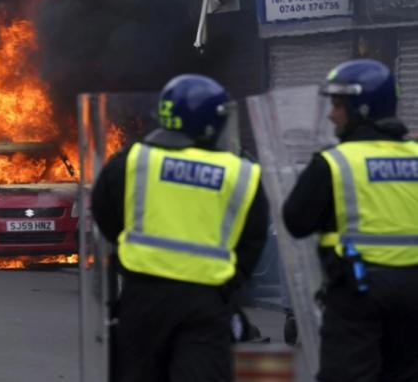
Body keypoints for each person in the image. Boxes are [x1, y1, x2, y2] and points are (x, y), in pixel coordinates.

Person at [92, 74, 268, 382]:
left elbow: (104, 212)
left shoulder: (133, 161)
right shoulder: (239, 174)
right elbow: (252, 240)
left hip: (142, 299)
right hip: (206, 304)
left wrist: (126, 252)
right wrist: (229, 286)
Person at [283, 59, 418, 382]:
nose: (331, 114)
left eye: (339, 105)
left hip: (358, 295)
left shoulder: (334, 163)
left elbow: (296, 221)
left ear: (363, 108)